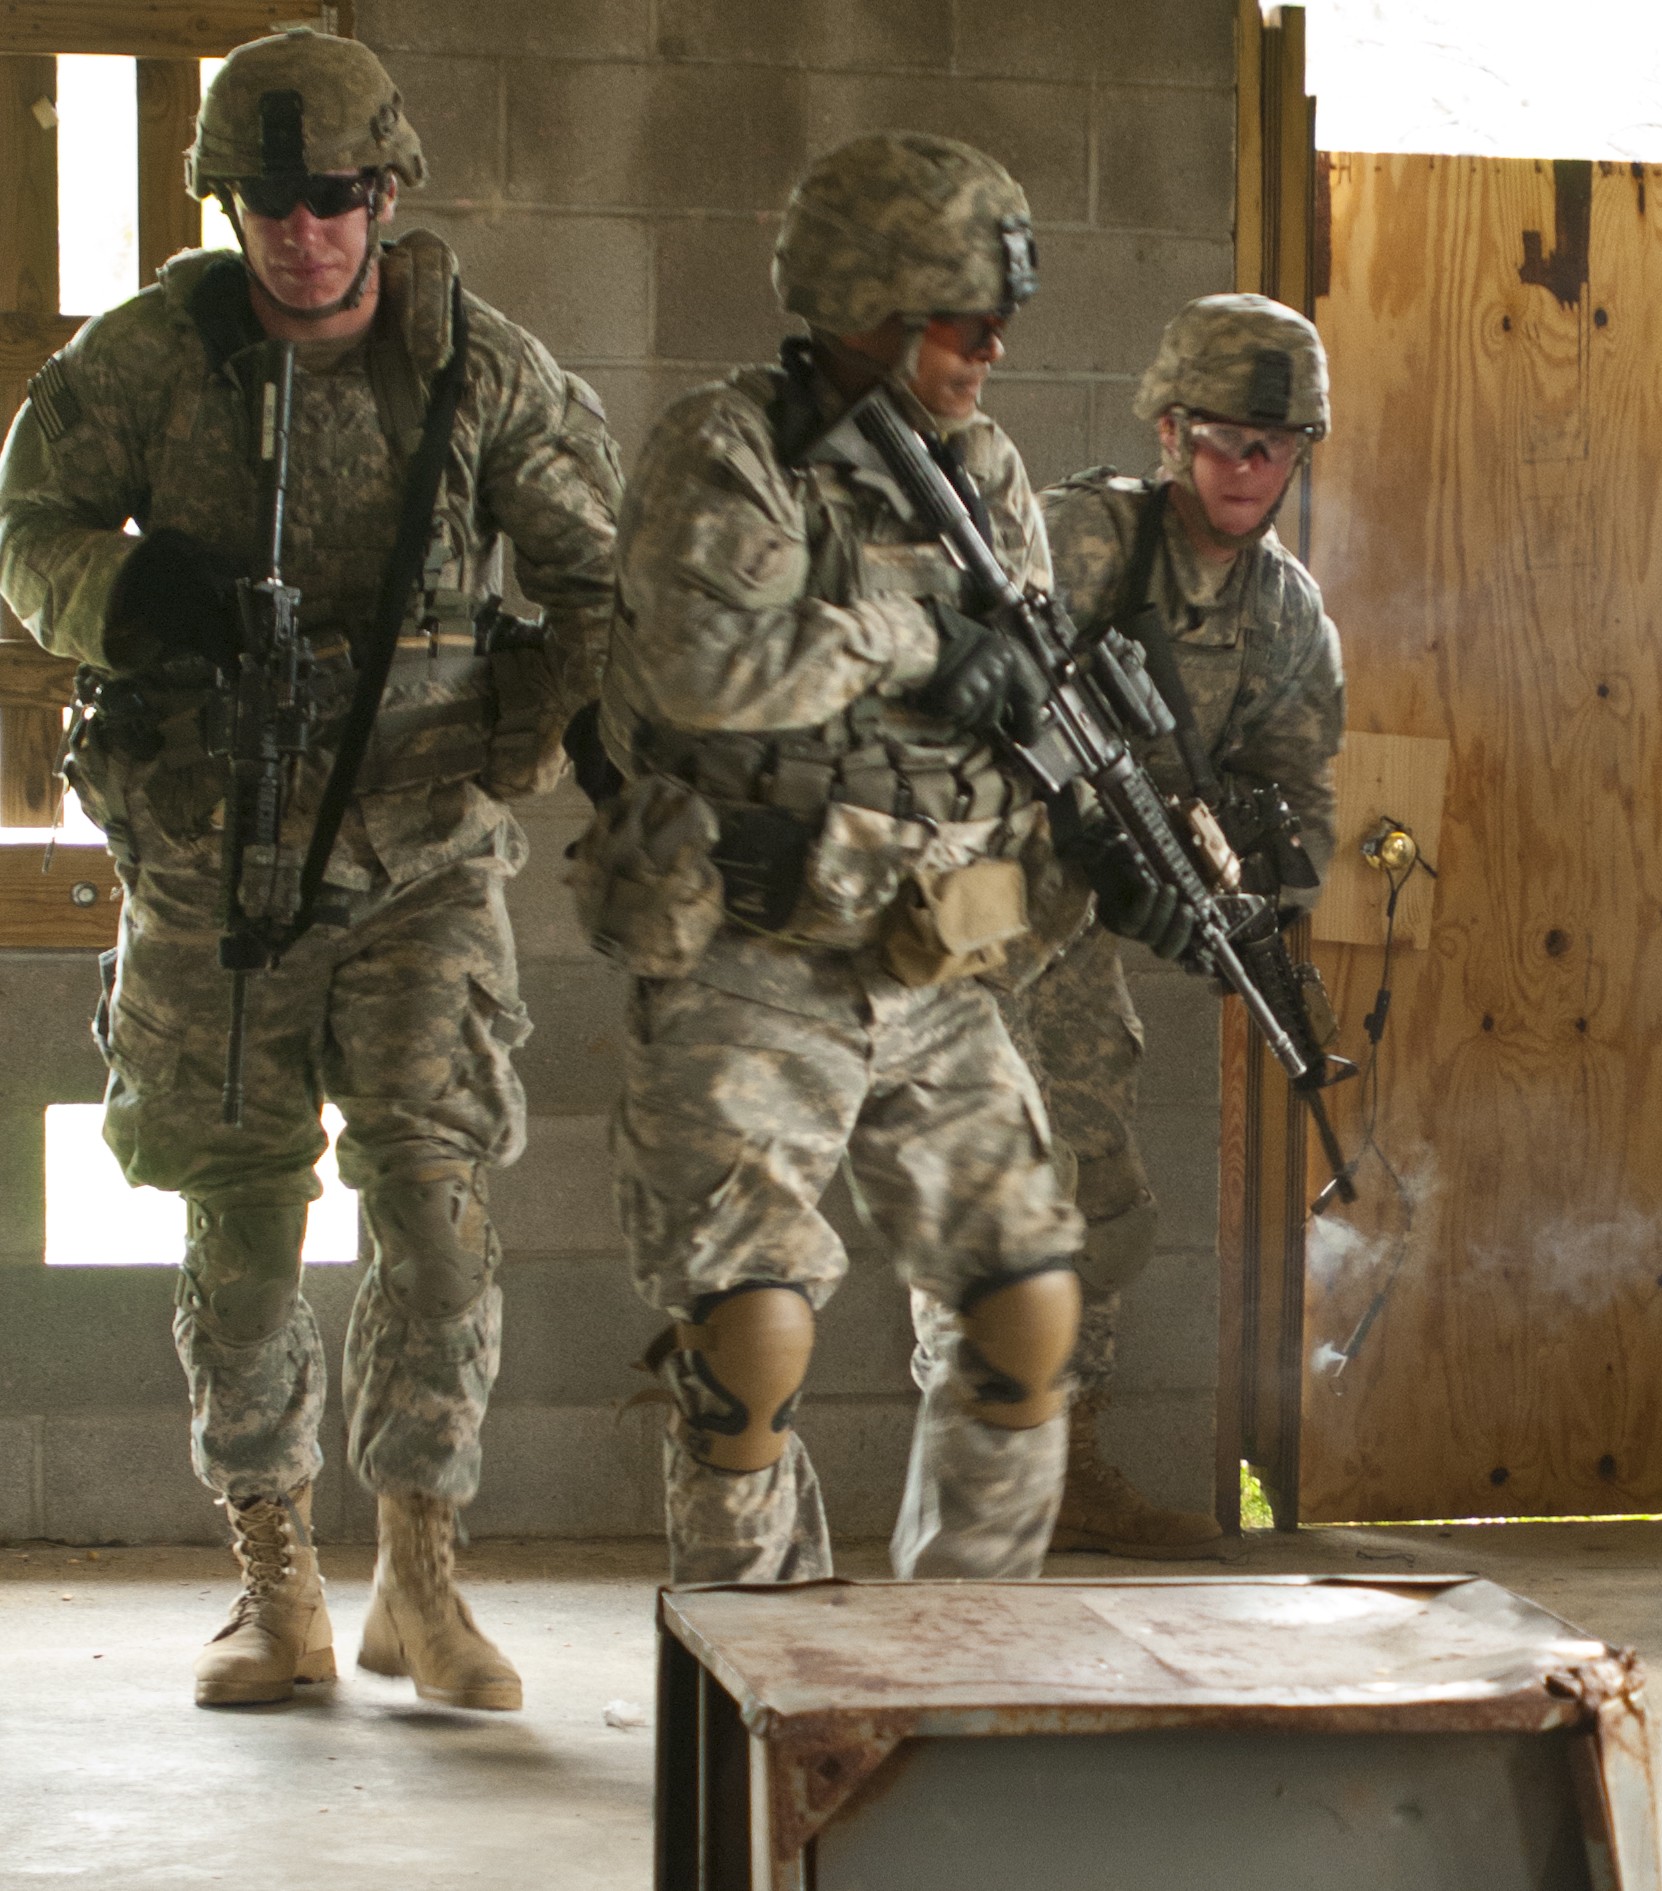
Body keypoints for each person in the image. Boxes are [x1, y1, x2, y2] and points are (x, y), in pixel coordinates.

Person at [0, 27, 619, 1710]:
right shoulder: (145, 365)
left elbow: (594, 572)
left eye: (334, 196)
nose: (303, 230)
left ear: (388, 191)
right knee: (244, 1214)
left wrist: (522, 736)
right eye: (267, 199)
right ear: (226, 205)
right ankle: (272, 1574)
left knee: (432, 1202)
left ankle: (422, 1570)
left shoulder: (475, 371)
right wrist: (129, 605)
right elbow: (26, 530)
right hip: (213, 873)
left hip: (419, 859)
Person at [593, 130, 1120, 1586]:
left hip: (931, 959)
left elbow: (1014, 681)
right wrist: (909, 639)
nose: (993, 348)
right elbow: (706, 668)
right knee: (750, 1341)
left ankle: (960, 1658)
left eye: (999, 316)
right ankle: (758, 1665)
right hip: (750, 953)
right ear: (866, 310)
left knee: (1026, 1310)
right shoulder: (726, 449)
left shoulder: (983, 468)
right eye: (964, 319)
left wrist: (1088, 825)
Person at [1023, 293, 1345, 1557]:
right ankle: (986, 1480)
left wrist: (1238, 913)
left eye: (1278, 445)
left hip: (1072, 925)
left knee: (1098, 1183)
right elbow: (947, 689)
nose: (1250, 469)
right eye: (1224, 440)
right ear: (1170, 432)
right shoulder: (1080, 544)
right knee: (985, 1190)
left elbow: (1293, 812)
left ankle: (1062, 1468)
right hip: (959, 902)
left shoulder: (1284, 619)